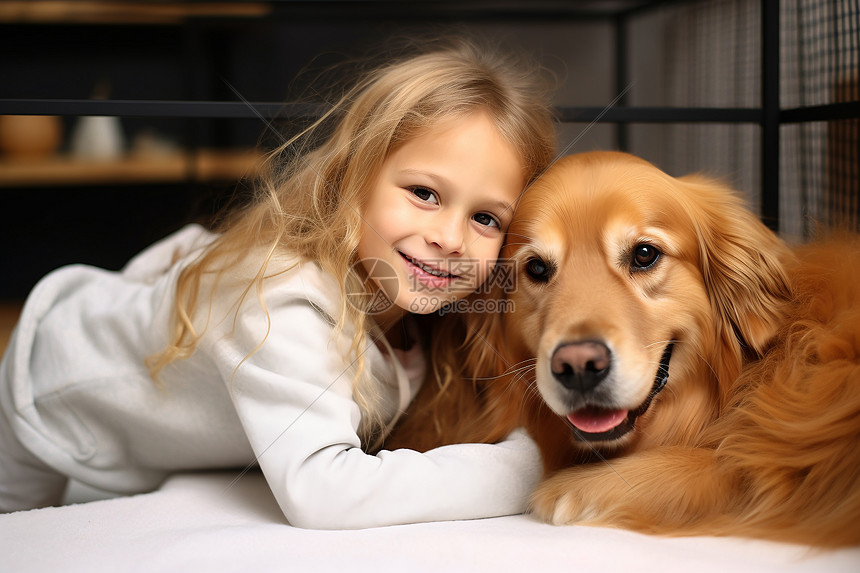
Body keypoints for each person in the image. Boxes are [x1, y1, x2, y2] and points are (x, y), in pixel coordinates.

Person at [0, 39, 556, 529]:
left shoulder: (412, 313)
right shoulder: (283, 300)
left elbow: (191, 248)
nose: (451, 237)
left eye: (487, 219)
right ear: (354, 177)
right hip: (44, 386)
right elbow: (324, 492)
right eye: (424, 193)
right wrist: (532, 464)